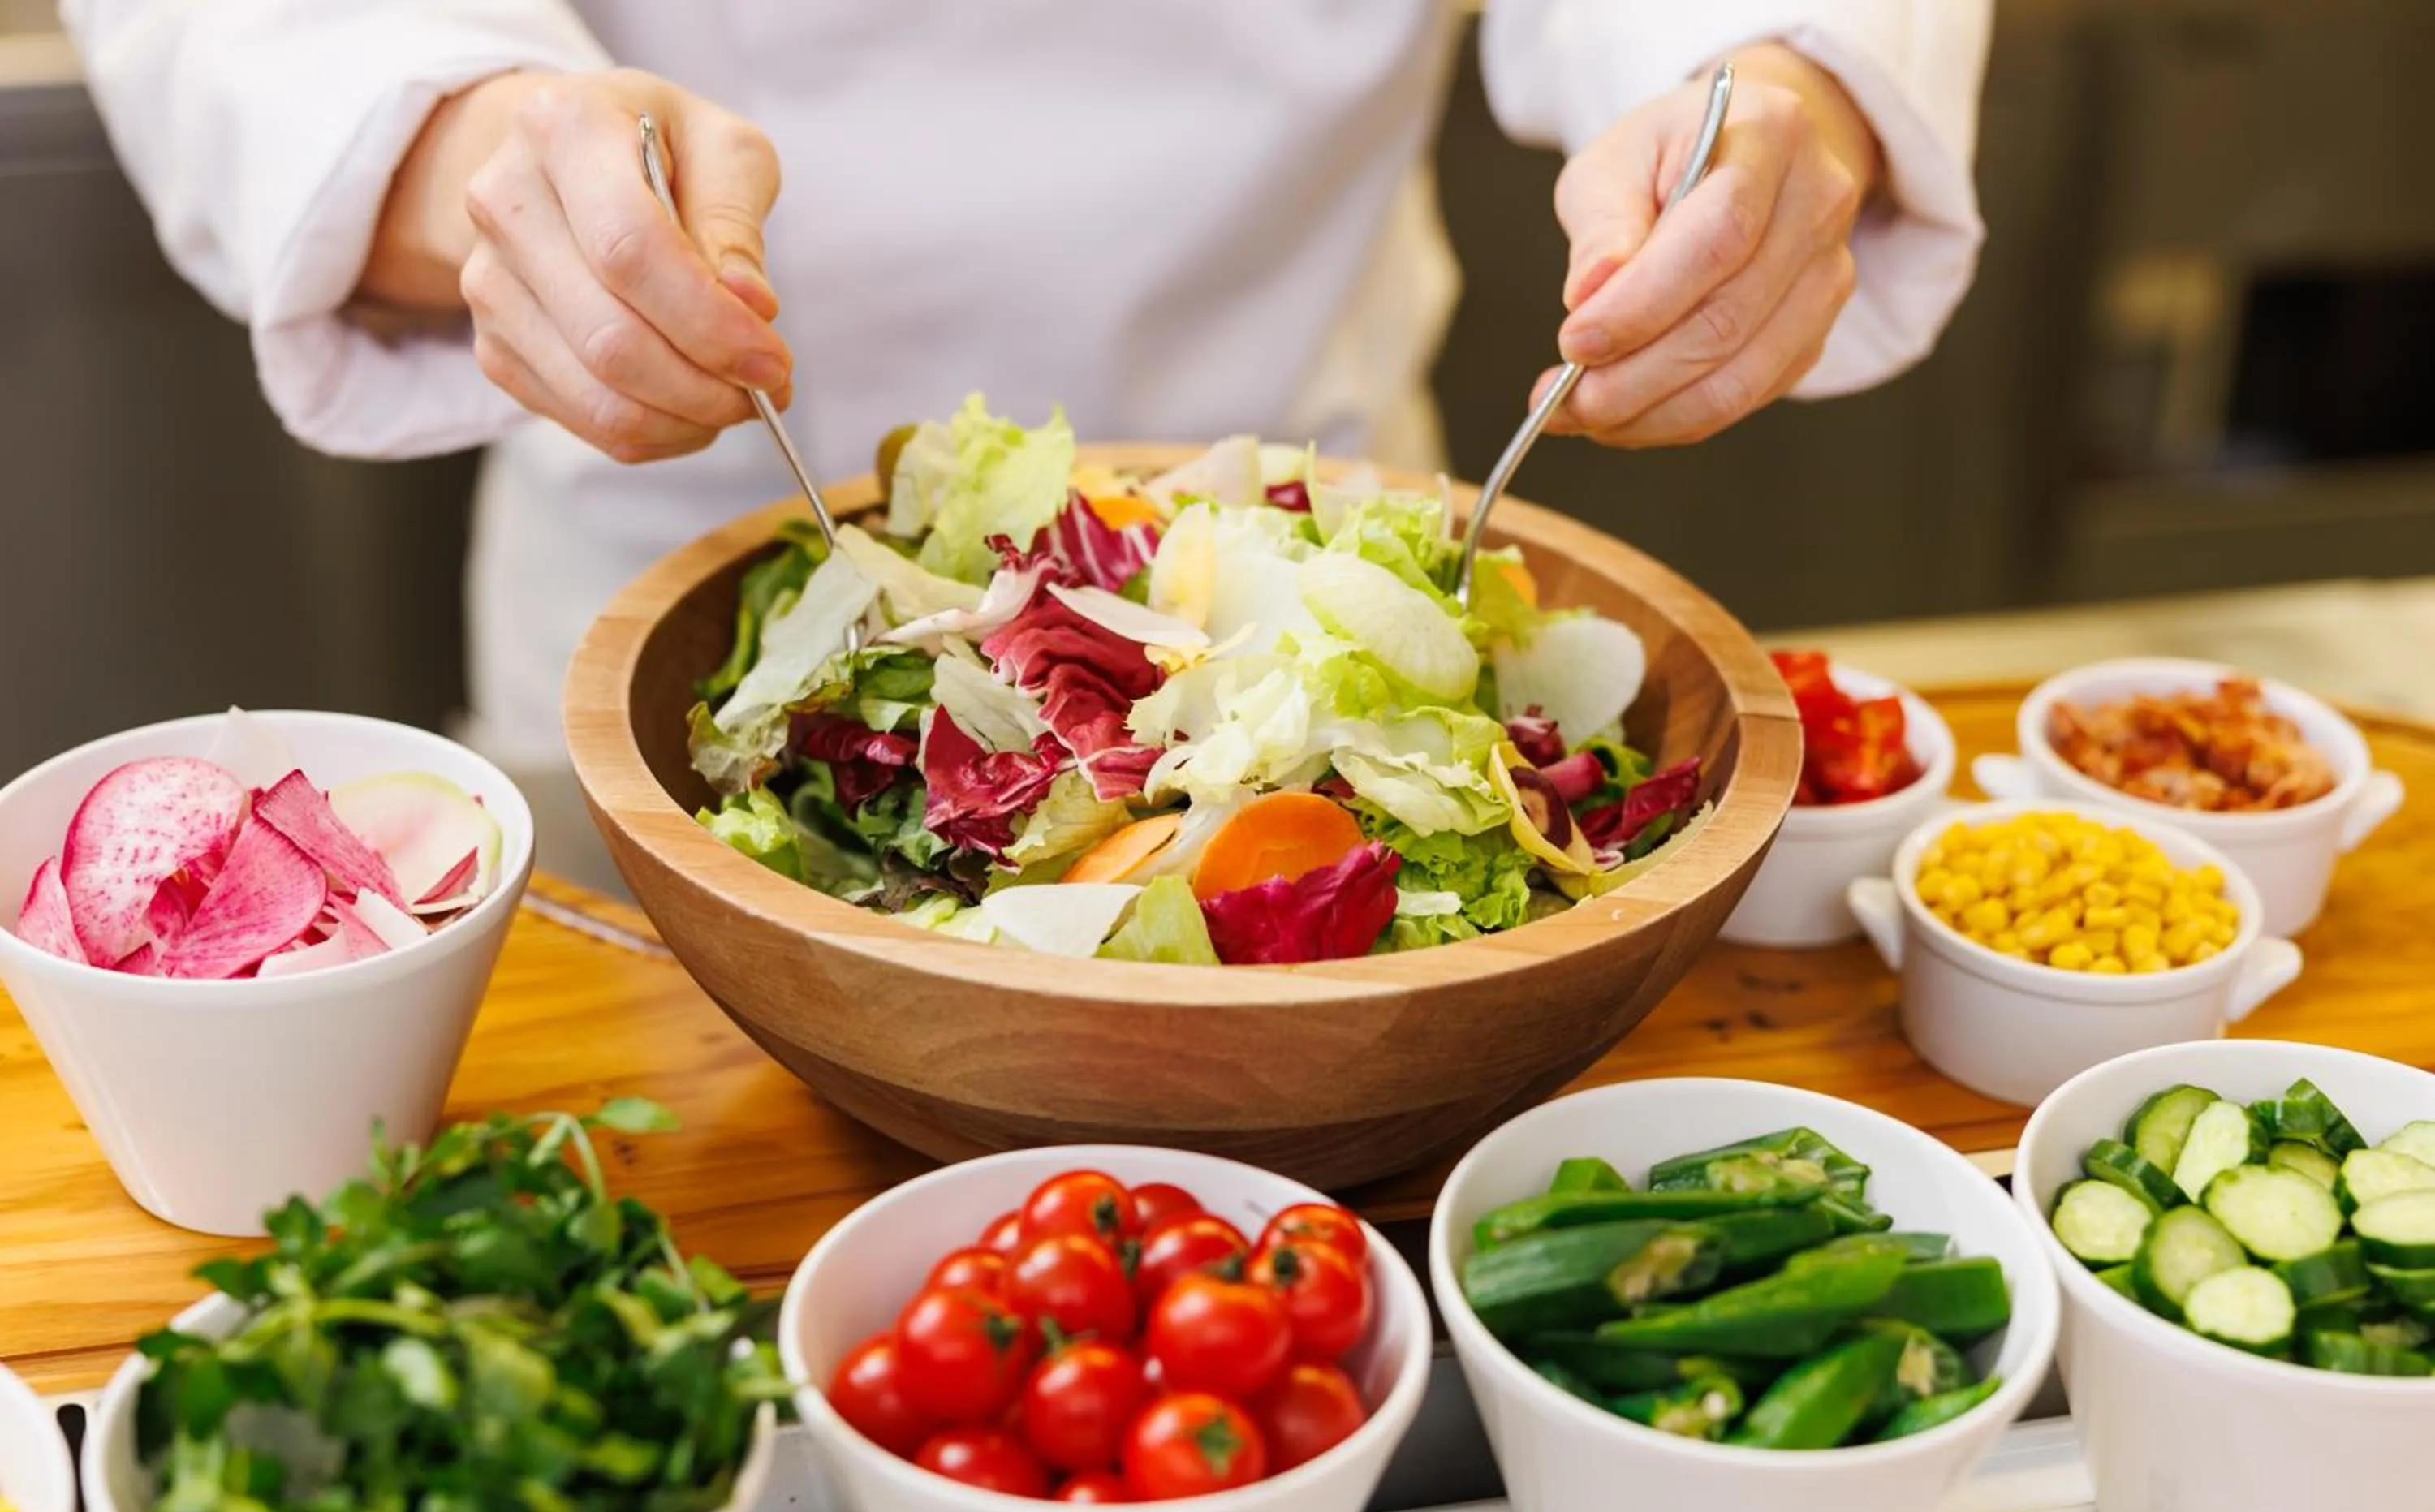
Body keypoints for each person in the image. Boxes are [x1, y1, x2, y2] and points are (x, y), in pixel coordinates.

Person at [62, 1, 1992, 879]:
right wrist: (473, 153)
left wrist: (1785, 76)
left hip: (1324, 571)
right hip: (680, 566)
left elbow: (1764, 47)